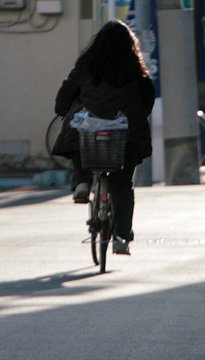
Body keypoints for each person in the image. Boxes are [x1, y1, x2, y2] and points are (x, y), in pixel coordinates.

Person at [52, 19, 155, 255]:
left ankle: (81, 182)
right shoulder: (137, 72)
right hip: (126, 136)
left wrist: (62, 110)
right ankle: (121, 238)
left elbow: (66, 92)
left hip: (90, 131)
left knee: (79, 138)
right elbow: (147, 101)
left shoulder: (86, 67)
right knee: (122, 184)